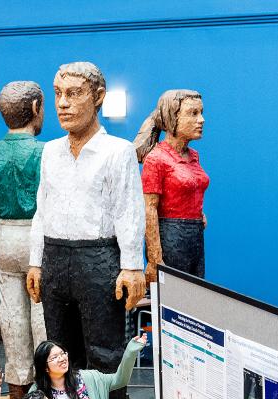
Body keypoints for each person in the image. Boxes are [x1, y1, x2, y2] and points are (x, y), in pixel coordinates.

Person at [26, 61, 146, 378]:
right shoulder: (50, 152)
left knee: (105, 353)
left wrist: (132, 267)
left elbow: (129, 211)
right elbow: (42, 209)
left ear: (98, 96)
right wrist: (36, 261)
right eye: (58, 93)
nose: (63, 103)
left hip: (99, 259)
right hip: (55, 258)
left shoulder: (117, 151)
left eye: (74, 93)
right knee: (58, 354)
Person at [0, 81, 48, 399]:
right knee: (41, 312)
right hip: (38, 237)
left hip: (5, 237)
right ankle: (47, 385)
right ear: (35, 108)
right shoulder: (44, 152)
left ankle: (18, 386)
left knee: (12, 313)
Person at [133, 89, 210, 281]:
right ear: (172, 118)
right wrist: (155, 260)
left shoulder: (194, 156)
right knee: (175, 294)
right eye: (193, 113)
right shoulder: (156, 159)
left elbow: (190, 188)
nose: (201, 120)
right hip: (171, 240)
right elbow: (149, 210)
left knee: (196, 292)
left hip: (195, 238)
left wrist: (197, 213)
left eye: (201, 113)